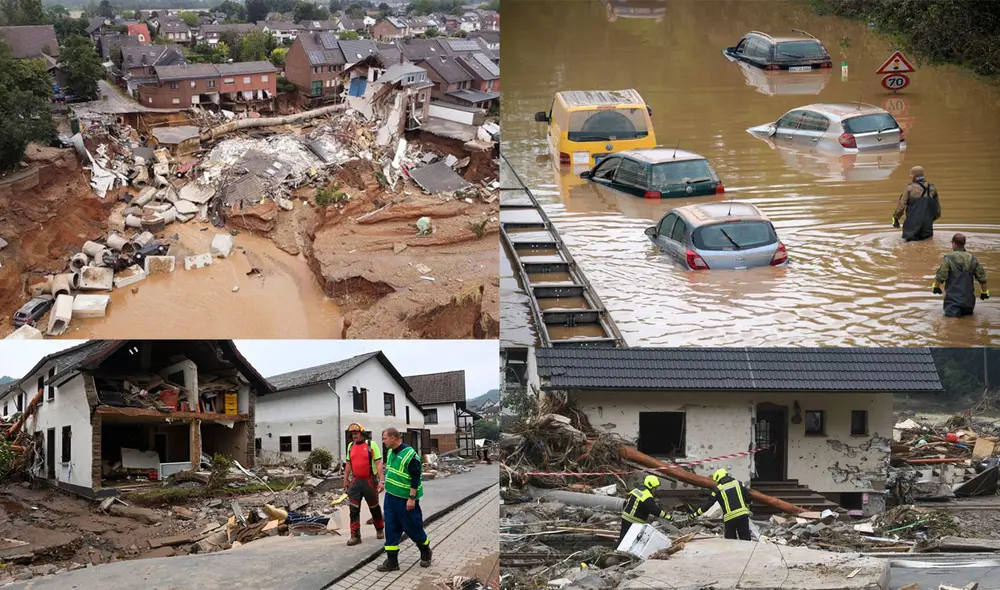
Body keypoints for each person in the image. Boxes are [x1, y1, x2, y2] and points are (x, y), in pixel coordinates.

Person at [377, 427, 432, 571]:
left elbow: (416, 477)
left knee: (413, 528)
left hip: (406, 499)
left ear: (393, 438)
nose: (383, 441)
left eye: (384, 438)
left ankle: (425, 551)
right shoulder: (390, 452)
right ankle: (392, 561)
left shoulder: (410, 455)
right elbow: (390, 471)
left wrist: (412, 498)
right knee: (390, 528)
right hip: (390, 498)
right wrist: (383, 483)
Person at [344, 423, 385, 546]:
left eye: (356, 433)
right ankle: (355, 536)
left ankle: (379, 529)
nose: (354, 436)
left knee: (374, 507)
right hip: (356, 481)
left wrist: (381, 482)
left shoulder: (371, 445)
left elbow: (378, 464)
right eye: (352, 434)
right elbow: (348, 464)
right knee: (353, 510)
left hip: (369, 481)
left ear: (362, 433)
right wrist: (345, 479)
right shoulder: (350, 446)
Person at [933, 233, 989, 318]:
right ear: (964, 244)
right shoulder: (972, 259)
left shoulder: (948, 258)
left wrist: (936, 287)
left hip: (952, 302)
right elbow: (982, 278)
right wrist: (984, 292)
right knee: (969, 324)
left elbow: (941, 276)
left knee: (951, 326)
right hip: (969, 302)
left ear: (954, 244)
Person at [690, 469, 752, 541]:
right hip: (742, 516)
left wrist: (695, 514)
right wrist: (746, 505)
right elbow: (748, 496)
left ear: (718, 478)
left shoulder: (718, 489)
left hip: (730, 519)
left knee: (730, 542)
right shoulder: (739, 483)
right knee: (746, 540)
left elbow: (708, 504)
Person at [619, 475, 673, 544]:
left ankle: (617, 551)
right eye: (655, 487)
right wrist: (666, 516)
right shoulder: (647, 496)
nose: (655, 489)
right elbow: (654, 510)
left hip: (625, 516)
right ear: (650, 486)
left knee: (623, 536)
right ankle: (625, 552)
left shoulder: (637, 489)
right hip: (634, 520)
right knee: (634, 540)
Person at [892, 166, 941, 242]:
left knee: (909, 246)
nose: (910, 176)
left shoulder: (909, 188)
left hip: (912, 225)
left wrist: (895, 218)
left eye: (911, 174)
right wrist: (932, 219)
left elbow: (901, 206)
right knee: (927, 245)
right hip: (927, 226)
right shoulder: (932, 188)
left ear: (914, 176)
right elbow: (937, 209)